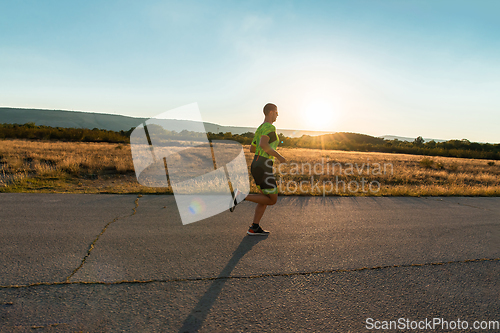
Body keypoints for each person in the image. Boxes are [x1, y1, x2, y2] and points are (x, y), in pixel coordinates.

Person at [230, 103, 286, 235]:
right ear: (271, 112)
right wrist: (279, 156)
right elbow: (263, 144)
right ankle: (240, 196)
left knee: (264, 197)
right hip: (263, 166)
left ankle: (254, 227)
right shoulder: (270, 127)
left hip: (256, 164)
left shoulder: (260, 128)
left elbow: (253, 148)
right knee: (272, 199)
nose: (278, 115)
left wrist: (265, 150)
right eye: (277, 112)